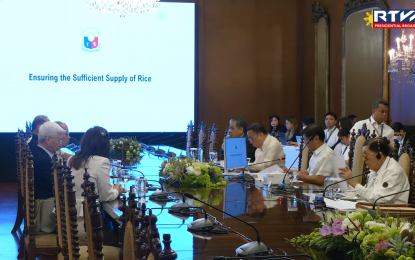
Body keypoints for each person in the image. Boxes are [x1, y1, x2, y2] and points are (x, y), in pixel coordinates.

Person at [69, 126, 126, 210]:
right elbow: (106, 197)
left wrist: (111, 188)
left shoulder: (71, 159)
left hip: (70, 212)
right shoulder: (102, 161)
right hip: (88, 216)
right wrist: (117, 191)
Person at [339, 137, 409, 204]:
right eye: (363, 156)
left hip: (390, 213)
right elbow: (368, 194)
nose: (364, 159)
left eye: (366, 155)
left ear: (379, 155)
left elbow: (381, 199)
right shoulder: (375, 170)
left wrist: (355, 184)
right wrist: (348, 183)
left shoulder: (394, 171)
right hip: (372, 209)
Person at [32, 122, 65, 200]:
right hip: (47, 204)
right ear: (48, 139)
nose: (61, 144)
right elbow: (56, 186)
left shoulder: (37, 152)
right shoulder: (44, 160)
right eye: (59, 140)